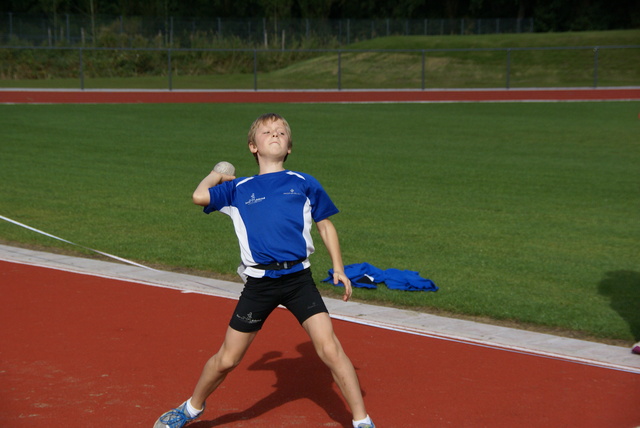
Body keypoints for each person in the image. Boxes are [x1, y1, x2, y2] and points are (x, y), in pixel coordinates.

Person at [153, 113, 375, 428]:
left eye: (281, 132)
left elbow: (325, 226)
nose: (275, 135)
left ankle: (362, 420)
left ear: (289, 148)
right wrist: (217, 173)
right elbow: (198, 196)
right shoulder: (239, 188)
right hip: (259, 285)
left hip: (299, 280)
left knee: (330, 348)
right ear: (253, 147)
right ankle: (190, 408)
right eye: (267, 132)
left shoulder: (303, 182)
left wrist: (339, 267)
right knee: (227, 360)